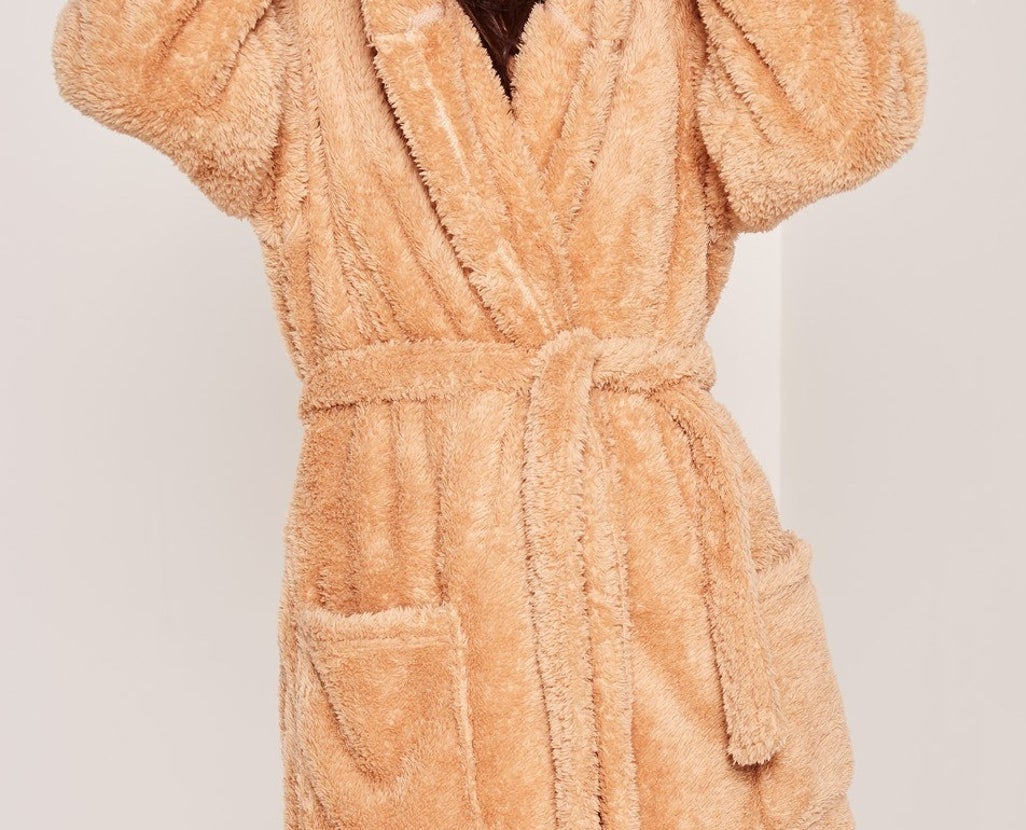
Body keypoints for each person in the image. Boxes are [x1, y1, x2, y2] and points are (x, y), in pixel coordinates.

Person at [50, 0, 928, 826]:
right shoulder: (314, 22)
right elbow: (123, 65)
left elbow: (848, 121)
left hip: (667, 580)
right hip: (414, 565)